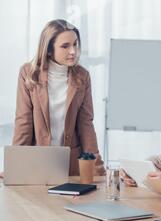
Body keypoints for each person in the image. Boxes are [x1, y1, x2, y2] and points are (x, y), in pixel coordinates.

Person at [12, 19, 105, 176]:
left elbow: (85, 124)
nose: (73, 51)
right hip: (37, 164)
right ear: (48, 49)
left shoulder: (83, 76)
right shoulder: (28, 73)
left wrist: (98, 168)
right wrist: (14, 166)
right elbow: (24, 123)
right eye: (65, 46)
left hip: (72, 166)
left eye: (75, 44)